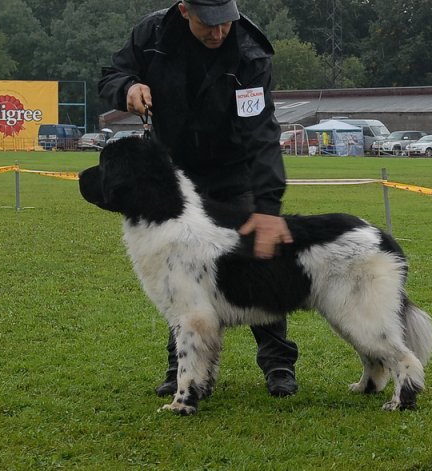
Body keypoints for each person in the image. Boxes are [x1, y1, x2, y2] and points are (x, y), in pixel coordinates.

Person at [99, 0, 299, 398]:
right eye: (209, 23)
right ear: (185, 9)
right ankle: (181, 368)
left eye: (226, 22)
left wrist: (268, 208)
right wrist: (127, 88)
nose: (219, 32)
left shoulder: (249, 54)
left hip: (233, 173)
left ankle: (278, 363)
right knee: (180, 277)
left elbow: (262, 134)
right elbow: (110, 76)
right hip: (176, 177)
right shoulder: (151, 34)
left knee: (256, 265)